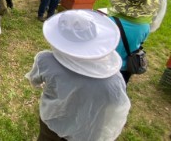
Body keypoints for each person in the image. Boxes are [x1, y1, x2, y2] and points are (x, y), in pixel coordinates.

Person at [26, 10, 131, 141]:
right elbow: (116, 104)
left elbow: (35, 81)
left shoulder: (45, 60)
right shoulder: (114, 79)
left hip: (53, 119)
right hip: (88, 130)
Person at [108, 0, 159, 84]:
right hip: (127, 65)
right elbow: (141, 41)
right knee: (121, 85)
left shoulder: (110, 22)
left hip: (109, 62)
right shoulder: (145, 26)